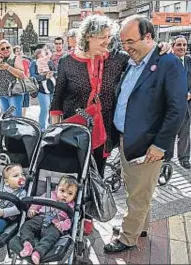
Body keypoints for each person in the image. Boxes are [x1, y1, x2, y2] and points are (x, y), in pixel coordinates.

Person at [50, 15, 172, 179]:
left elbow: (143, 55)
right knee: (73, 176)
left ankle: (95, 204)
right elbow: (57, 99)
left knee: (97, 176)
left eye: (108, 37)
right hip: (75, 130)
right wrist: (55, 132)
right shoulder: (67, 61)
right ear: (87, 36)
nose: (107, 42)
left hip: (104, 130)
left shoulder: (117, 58)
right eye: (102, 37)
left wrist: (159, 47)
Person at [104, 15, 187, 253]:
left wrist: (161, 145)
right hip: (127, 138)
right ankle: (140, 226)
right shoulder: (132, 61)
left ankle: (128, 238)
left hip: (149, 144)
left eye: (130, 41)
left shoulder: (168, 62)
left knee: (139, 193)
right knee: (136, 188)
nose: (127, 47)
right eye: (123, 43)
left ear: (148, 37)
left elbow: (177, 109)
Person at [18, 175, 78, 265]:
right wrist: (32, 210)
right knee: (26, 226)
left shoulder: (71, 205)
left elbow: (70, 220)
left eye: (70, 194)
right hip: (40, 218)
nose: (65, 195)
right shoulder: (49, 194)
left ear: (74, 196)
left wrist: (62, 225)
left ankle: (38, 252)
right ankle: (27, 244)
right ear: (57, 188)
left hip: (54, 225)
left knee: (51, 238)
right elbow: (37, 202)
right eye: (62, 191)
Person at [0, 40, 25, 116]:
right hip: (1, 92)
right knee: (5, 119)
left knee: (15, 118)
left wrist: (8, 67)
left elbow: (22, 75)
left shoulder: (15, 58)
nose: (5, 49)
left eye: (7, 47)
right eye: (2, 49)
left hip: (14, 92)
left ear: (11, 48)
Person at [171, 35, 191, 169]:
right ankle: (166, 158)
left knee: (185, 132)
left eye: (184, 45)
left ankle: (184, 158)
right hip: (170, 106)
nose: (182, 48)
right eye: (179, 45)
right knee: (169, 132)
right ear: (173, 46)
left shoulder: (189, 60)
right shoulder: (167, 60)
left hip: (186, 105)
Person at [30, 44, 57, 132]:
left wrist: (52, 73)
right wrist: (44, 77)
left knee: (52, 110)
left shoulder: (48, 61)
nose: (43, 54)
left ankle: (51, 127)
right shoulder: (34, 63)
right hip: (41, 90)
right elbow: (32, 76)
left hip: (52, 88)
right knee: (45, 109)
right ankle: (41, 128)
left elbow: (55, 71)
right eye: (41, 53)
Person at [13, 45, 31, 117]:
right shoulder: (13, 62)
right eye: (17, 51)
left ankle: (23, 118)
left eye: (20, 50)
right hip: (17, 84)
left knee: (25, 103)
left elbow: (28, 72)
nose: (19, 52)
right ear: (14, 53)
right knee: (17, 102)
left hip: (25, 83)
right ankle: (17, 117)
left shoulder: (26, 61)